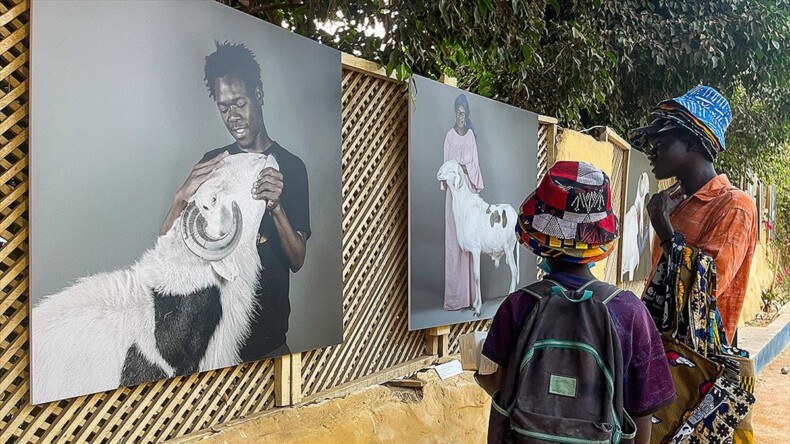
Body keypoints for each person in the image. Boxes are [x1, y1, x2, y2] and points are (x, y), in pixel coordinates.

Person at [477, 161, 675, 444]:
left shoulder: (518, 306)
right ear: (600, 244)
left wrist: (480, 376)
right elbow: (642, 411)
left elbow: (503, 389)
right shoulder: (630, 312)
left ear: (537, 237)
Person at [160, 41, 310, 361]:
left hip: (269, 343)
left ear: (258, 95)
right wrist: (180, 199)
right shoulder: (213, 162)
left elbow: (297, 260)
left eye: (239, 103)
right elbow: (167, 248)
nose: (233, 116)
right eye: (224, 107)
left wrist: (276, 207)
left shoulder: (292, 167)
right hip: (212, 343)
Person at [629, 85, 757, 344]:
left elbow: (704, 291)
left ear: (690, 142)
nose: (652, 153)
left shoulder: (734, 206)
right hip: (660, 352)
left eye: (661, 143)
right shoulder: (676, 203)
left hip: (696, 367)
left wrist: (666, 232)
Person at [441, 94, 484, 311]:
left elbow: (474, 166)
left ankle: (471, 297)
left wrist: (464, 168)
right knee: (453, 241)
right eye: (457, 112)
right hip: (453, 195)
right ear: (454, 113)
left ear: (467, 115)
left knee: (470, 240)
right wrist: (457, 168)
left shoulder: (470, 137)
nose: (460, 116)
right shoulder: (449, 136)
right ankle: (455, 298)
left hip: (467, 192)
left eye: (463, 112)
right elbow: (446, 166)